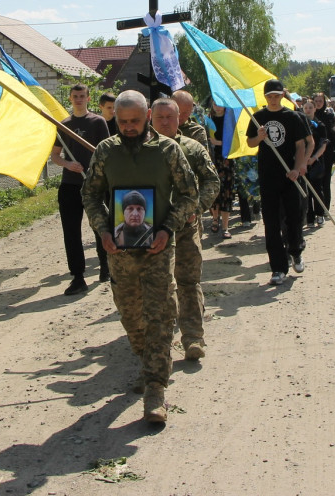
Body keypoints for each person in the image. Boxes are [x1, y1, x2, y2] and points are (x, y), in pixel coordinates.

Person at [82, 90, 198, 423]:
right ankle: (146, 357)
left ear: (147, 116)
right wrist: (103, 229)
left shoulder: (168, 150)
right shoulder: (106, 151)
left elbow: (189, 194)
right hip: (119, 252)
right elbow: (89, 193)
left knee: (159, 315)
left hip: (158, 249)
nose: (129, 127)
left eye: (135, 121)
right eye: (122, 122)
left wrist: (168, 228)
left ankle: (155, 388)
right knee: (132, 318)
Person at [151, 97, 220, 362]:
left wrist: (196, 209)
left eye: (171, 117)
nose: (166, 123)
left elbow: (212, 182)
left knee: (188, 281)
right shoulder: (140, 150)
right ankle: (159, 342)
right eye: (160, 118)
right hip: (152, 228)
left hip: (186, 226)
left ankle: (193, 337)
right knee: (158, 285)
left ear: (180, 117)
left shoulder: (191, 148)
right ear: (151, 118)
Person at [246, 79, 309, 286]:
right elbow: (250, 142)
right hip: (268, 177)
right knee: (271, 223)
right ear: (265, 98)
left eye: (276, 95)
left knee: (294, 218)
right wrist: (260, 137)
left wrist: (297, 168)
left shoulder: (293, 117)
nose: (273, 99)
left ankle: (296, 251)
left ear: (282, 95)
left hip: (290, 176)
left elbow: (301, 146)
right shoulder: (258, 118)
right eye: (269, 96)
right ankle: (278, 268)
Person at [50, 83, 111, 295]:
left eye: (82, 96)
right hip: (70, 184)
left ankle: (105, 266)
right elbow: (55, 156)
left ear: (88, 98)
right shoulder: (63, 124)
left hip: (94, 183)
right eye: (75, 96)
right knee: (71, 232)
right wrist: (68, 165)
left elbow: (106, 152)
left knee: (100, 226)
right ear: (70, 98)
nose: (78, 99)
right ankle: (78, 277)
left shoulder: (98, 122)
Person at [205, 100, 238, 238]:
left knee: (226, 192)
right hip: (211, 159)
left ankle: (225, 226)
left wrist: (218, 142)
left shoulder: (230, 120)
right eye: (214, 104)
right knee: (213, 190)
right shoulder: (207, 120)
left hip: (226, 160)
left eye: (219, 103)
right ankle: (214, 219)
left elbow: (236, 141)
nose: (217, 107)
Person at [300, 100, 329, 227]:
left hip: (316, 161)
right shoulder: (300, 124)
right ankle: (309, 217)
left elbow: (323, 144)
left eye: (310, 108)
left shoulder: (320, 125)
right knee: (305, 191)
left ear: (314, 109)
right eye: (305, 108)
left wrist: (314, 157)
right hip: (303, 161)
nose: (308, 110)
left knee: (317, 189)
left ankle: (320, 214)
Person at [312, 93, 335, 218]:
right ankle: (314, 211)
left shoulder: (329, 116)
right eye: (316, 101)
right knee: (313, 182)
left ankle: (325, 209)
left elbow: (334, 134)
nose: (318, 103)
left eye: (320, 101)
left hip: (328, 152)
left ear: (324, 102)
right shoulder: (309, 115)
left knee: (325, 181)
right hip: (312, 153)